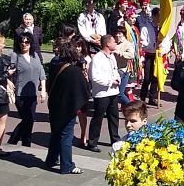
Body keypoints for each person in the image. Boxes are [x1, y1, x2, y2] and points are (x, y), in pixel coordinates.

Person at [45, 37, 89, 175]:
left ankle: (51, 159)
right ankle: (67, 165)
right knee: (66, 136)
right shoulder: (74, 71)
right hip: (68, 107)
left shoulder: (54, 65)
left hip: (54, 105)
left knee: (56, 133)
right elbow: (84, 89)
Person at [8, 32, 45, 147]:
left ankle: (23, 142)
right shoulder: (15, 55)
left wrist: (43, 90)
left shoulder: (35, 56)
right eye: (21, 42)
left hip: (32, 93)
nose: (24, 44)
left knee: (30, 119)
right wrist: (9, 74)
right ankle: (17, 141)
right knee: (27, 119)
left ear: (31, 43)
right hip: (20, 93)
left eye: (27, 42)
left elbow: (41, 73)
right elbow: (10, 70)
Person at [87, 34, 121, 150]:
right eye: (114, 42)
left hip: (113, 92)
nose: (115, 44)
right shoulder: (98, 58)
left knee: (114, 116)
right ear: (107, 44)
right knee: (98, 117)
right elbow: (94, 77)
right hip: (102, 94)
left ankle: (115, 139)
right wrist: (111, 82)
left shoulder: (112, 57)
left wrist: (117, 78)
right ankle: (92, 142)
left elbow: (115, 70)